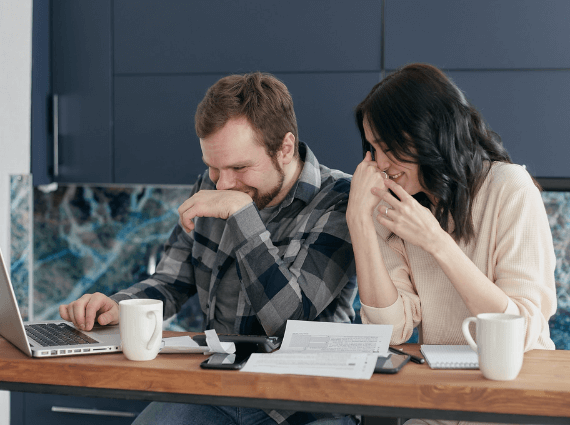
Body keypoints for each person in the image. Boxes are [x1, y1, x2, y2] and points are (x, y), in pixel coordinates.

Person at [59, 72, 358, 425]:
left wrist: (242, 217)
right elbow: (172, 280)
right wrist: (119, 307)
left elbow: (289, 321)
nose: (224, 183)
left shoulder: (339, 199)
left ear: (286, 148)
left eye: (239, 167)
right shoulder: (212, 185)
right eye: (213, 168)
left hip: (306, 400)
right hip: (220, 385)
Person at [346, 63, 557, 425]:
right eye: (373, 149)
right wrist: (359, 223)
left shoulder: (511, 190)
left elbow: (519, 330)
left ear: (429, 135)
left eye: (389, 148)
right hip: (437, 400)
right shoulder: (395, 207)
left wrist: (436, 242)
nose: (380, 164)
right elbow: (389, 331)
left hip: (514, 398)